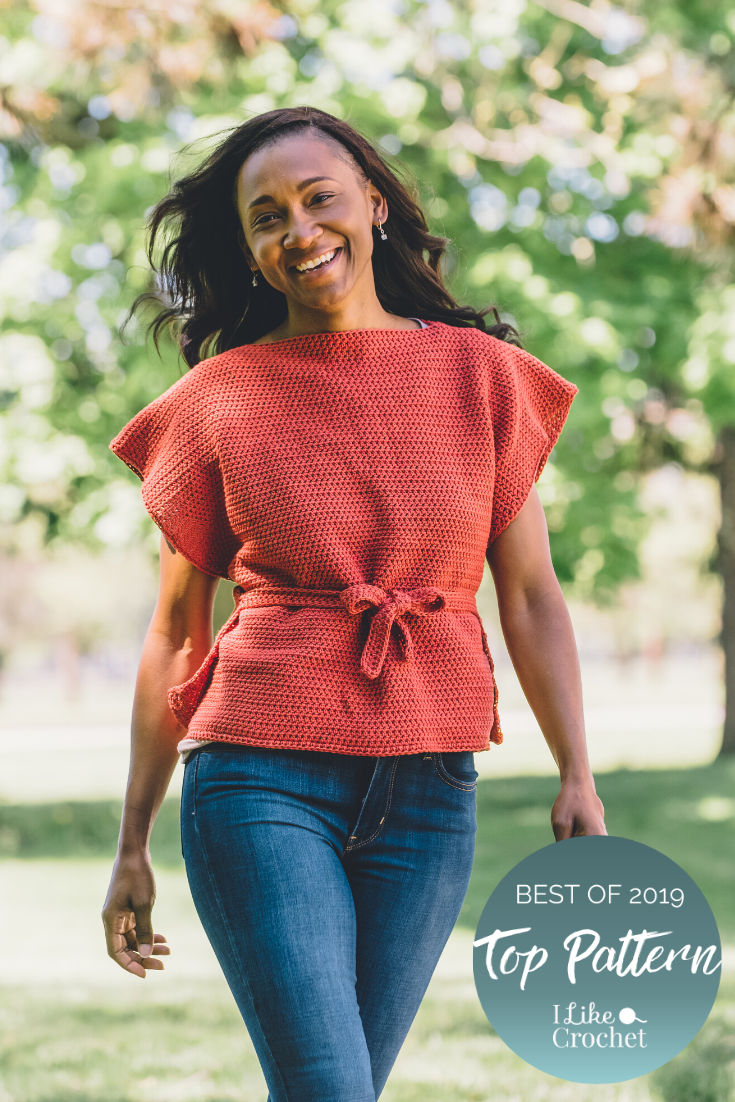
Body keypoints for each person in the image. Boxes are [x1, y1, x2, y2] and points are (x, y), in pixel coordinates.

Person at [102, 106, 607, 1102]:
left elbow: (533, 597)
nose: (298, 227)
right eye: (267, 215)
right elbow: (175, 634)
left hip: (432, 791)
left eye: (318, 197)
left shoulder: (485, 380)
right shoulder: (220, 399)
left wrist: (577, 771)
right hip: (258, 780)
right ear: (249, 250)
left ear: (373, 206)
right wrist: (132, 842)